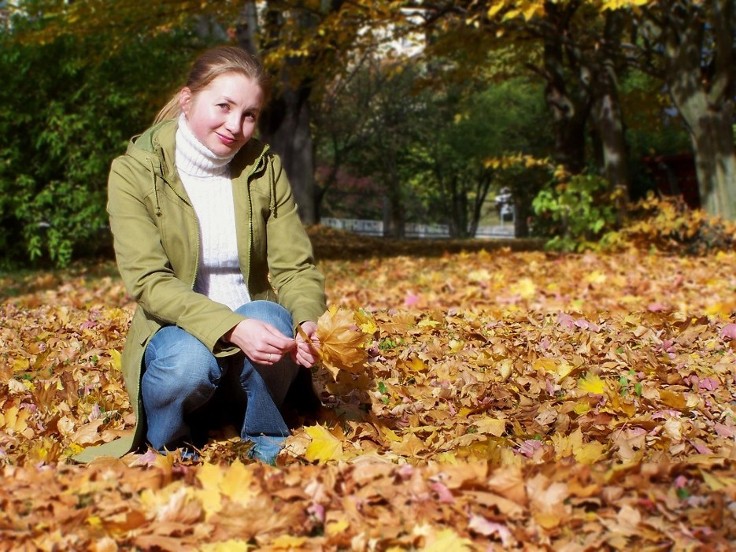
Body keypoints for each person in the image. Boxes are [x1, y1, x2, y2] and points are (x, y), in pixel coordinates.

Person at [74, 46, 327, 465]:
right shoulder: (135, 171)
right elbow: (149, 282)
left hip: (257, 345)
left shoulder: (263, 167)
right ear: (188, 100)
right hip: (178, 334)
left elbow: (295, 266)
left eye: (249, 114)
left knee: (271, 317)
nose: (236, 126)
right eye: (223, 106)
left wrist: (306, 319)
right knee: (188, 361)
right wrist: (232, 327)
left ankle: (265, 438)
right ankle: (173, 444)